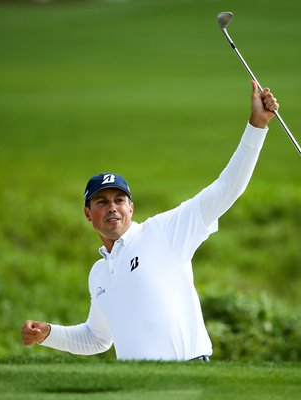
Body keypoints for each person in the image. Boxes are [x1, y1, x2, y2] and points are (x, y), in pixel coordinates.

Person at [21, 81, 279, 361]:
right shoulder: (99, 273)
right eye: (102, 202)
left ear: (131, 207)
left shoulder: (164, 232)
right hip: (139, 386)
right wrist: (48, 334)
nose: (112, 208)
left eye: (119, 200)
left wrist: (257, 126)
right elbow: (97, 339)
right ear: (87, 213)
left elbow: (227, 188)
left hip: (188, 374)